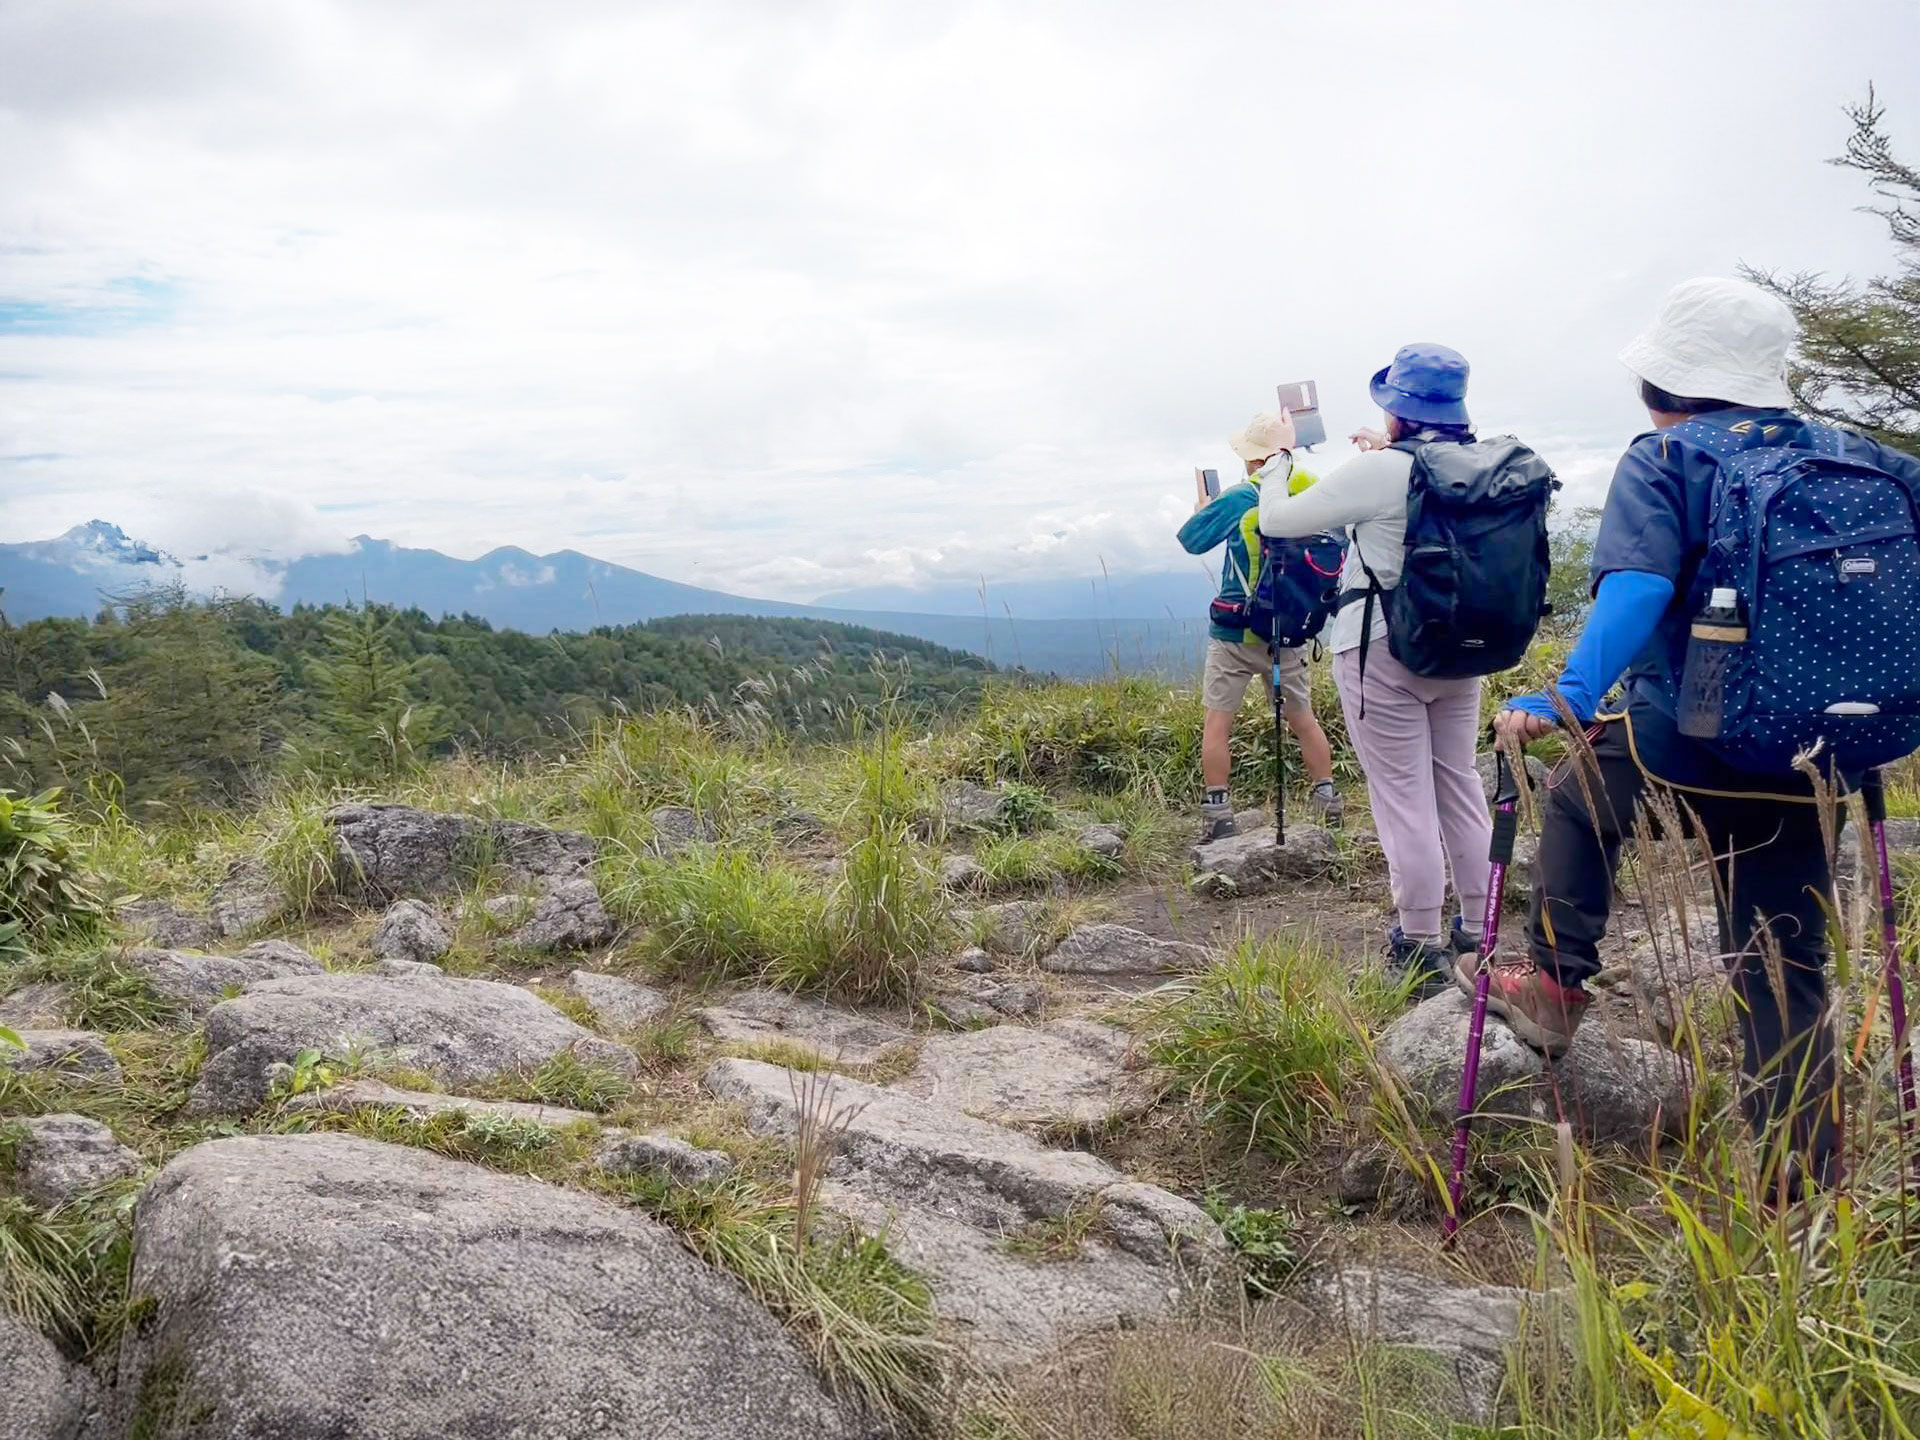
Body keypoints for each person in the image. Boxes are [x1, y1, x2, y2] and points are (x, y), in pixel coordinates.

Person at [1489, 275, 1920, 1190]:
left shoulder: (1668, 458)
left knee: (1573, 796)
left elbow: (1638, 592)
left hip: (1691, 733)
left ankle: (1558, 985)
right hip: (1823, 748)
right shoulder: (1870, 460)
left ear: (1664, 386)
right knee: (1781, 959)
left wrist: (1560, 695)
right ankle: (1801, 1192)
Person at [1257, 346, 1491, 989]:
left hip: (1380, 648)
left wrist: (1278, 459)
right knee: (1460, 785)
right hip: (1463, 651)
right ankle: (1478, 931)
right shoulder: (1481, 465)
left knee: (1403, 800)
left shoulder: (1384, 471)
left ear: (1399, 410)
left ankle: (1418, 944)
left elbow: (1277, 521)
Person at [1177, 410, 1342, 843]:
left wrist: (1204, 511)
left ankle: (1219, 814)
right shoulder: (1313, 488)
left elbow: (1191, 540)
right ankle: (1329, 801)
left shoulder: (1240, 498)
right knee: (1303, 719)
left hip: (1235, 632)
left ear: (1252, 460)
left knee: (1218, 722)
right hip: (1290, 628)